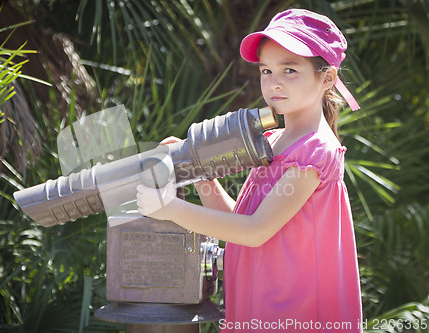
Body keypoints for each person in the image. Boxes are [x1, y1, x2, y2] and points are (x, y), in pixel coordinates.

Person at [136, 8, 362, 332]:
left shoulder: (315, 152)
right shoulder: (272, 141)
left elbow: (255, 231)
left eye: (289, 70)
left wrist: (170, 209)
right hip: (256, 303)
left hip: (292, 312)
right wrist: (197, 172)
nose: (274, 83)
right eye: (266, 71)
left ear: (327, 78)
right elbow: (238, 222)